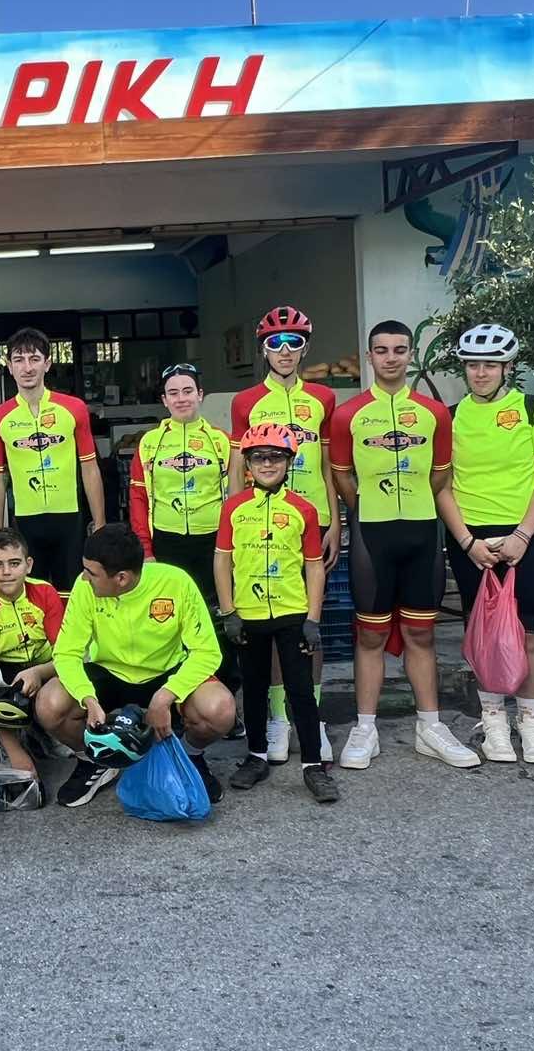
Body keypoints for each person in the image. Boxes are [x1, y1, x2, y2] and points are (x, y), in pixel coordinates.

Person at [329, 320, 478, 770]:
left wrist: (411, 501)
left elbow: (440, 475)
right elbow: (342, 475)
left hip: (421, 532)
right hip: (372, 534)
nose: (391, 357)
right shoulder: (348, 414)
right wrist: (365, 508)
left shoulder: (435, 413)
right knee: (370, 634)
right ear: (369, 356)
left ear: (410, 354)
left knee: (421, 633)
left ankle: (430, 726)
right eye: (382, 350)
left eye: (399, 349)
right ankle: (365, 728)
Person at [435, 325, 534, 764]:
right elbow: (442, 486)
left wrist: (522, 535)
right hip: (471, 538)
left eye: (490, 364)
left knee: (529, 633)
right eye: (473, 365)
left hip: (526, 534)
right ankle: (493, 723)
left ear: (507, 367)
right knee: (483, 635)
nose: (481, 372)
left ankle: (533, 724)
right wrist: (466, 541)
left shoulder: (533, 410)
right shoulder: (450, 417)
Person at [37, 524, 235, 807]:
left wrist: (166, 696)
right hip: (109, 672)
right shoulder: (84, 587)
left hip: (166, 674)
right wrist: (87, 698)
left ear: (121, 578)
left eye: (91, 573)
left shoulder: (177, 582)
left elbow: (207, 652)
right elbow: (66, 654)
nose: (83, 577)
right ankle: (95, 760)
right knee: (49, 705)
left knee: (220, 709)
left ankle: (190, 756)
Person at [230, 306, 340, 763]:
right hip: (259, 519)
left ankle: (311, 717)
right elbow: (237, 466)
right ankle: (277, 718)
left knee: (309, 626)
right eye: (275, 343)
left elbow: (328, 464)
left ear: (305, 348)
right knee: (269, 622)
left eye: (294, 342)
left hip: (312, 519)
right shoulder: (246, 401)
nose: (285, 351)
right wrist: (235, 518)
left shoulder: (324, 398)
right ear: (263, 350)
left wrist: (336, 520)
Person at [213, 424, 338, 803]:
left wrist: (313, 618)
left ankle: (313, 765)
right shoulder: (234, 507)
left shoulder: (303, 509)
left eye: (276, 457)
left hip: (292, 613)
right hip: (248, 614)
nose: (267, 464)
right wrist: (229, 611)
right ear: (247, 464)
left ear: (289, 462)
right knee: (254, 689)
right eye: (259, 458)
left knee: (301, 691)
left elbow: (314, 566)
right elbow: (222, 561)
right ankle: (256, 756)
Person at [127, 362, 237, 685]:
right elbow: (138, 499)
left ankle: (222, 690)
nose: (181, 398)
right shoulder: (149, 443)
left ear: (200, 394)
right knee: (171, 617)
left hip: (214, 543)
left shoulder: (222, 440)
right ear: (164, 400)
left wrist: (234, 546)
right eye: (173, 393)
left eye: (188, 391)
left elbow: (236, 499)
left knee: (217, 616)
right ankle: (175, 690)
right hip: (167, 542)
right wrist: (145, 550)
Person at [0, 327, 105, 592]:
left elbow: (89, 467)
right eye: (19, 360)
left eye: (34, 359)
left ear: (47, 364)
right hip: (25, 521)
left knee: (73, 594)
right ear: (9, 366)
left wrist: (100, 524)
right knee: (31, 597)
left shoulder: (74, 408)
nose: (27, 368)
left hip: (69, 519)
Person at [0, 526, 66, 781]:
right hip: (5, 675)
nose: (6, 572)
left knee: (74, 674)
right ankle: (12, 744)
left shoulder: (46, 592)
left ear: (28, 565)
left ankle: (50, 729)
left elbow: (67, 655)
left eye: (14, 563)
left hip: (47, 666)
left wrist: (39, 673)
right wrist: (15, 752)